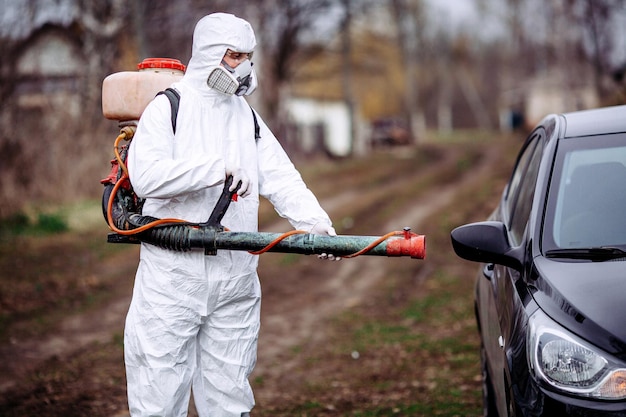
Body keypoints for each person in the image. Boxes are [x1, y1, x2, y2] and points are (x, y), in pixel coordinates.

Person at [124, 12, 337, 417]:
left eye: (247, 56)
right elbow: (146, 177)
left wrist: (315, 224)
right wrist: (214, 168)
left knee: (229, 396)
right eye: (235, 56)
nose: (244, 67)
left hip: (234, 282)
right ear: (208, 55)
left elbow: (281, 176)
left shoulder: (246, 117)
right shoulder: (169, 107)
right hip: (172, 282)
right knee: (158, 394)